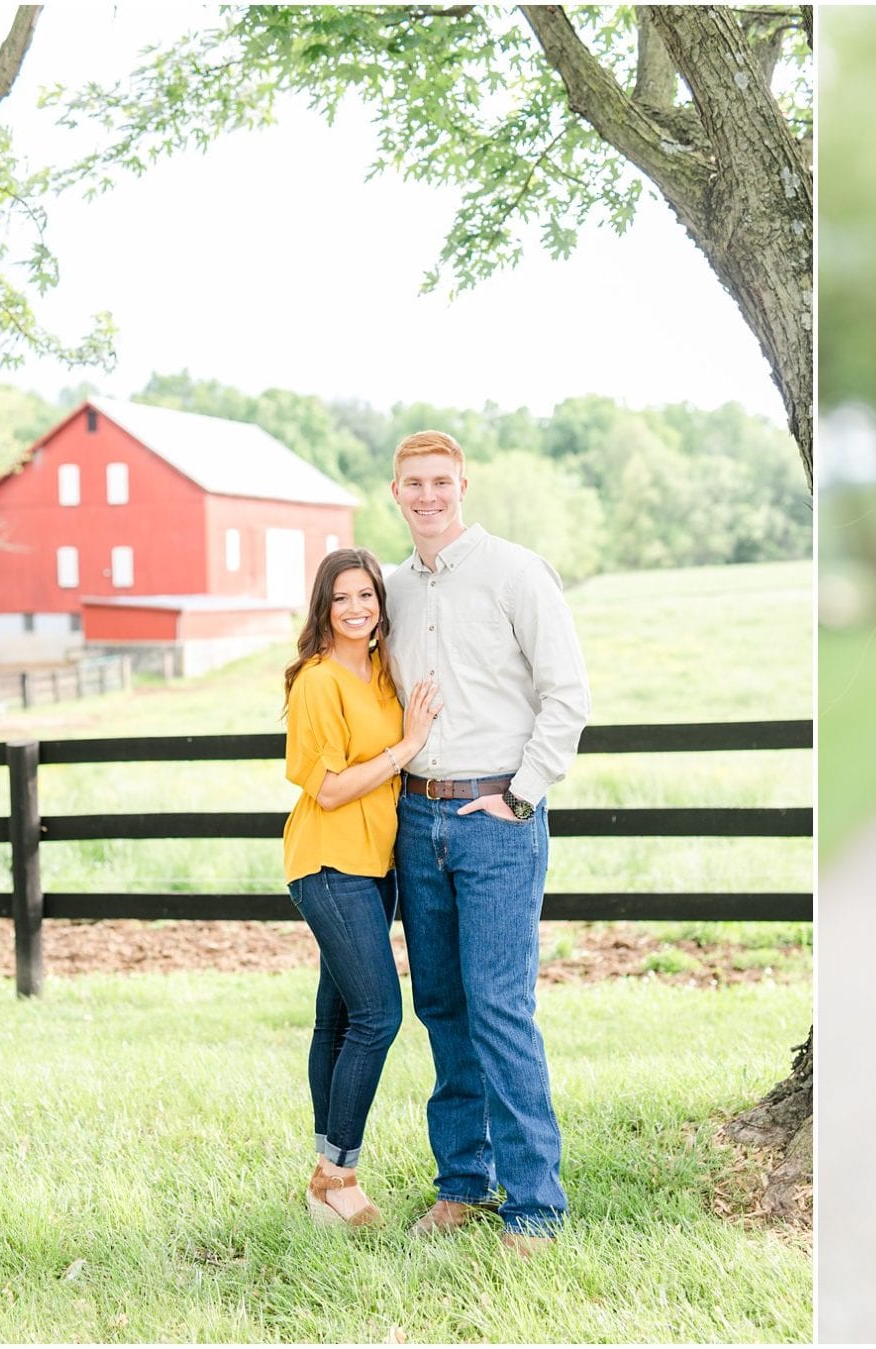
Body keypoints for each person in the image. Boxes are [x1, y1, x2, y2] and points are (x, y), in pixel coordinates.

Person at [383, 430, 591, 1255]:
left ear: (463, 484)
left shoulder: (515, 571)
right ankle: (462, 1185)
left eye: (440, 480)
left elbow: (566, 693)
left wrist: (520, 794)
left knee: (502, 1008)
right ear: (394, 492)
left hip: (495, 818)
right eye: (412, 483)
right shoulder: (393, 589)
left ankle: (535, 1204)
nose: (427, 495)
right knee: (441, 1006)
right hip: (416, 818)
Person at [282, 547, 439, 1226]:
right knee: (379, 1015)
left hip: (374, 866)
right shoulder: (318, 682)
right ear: (325, 604)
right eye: (342, 597)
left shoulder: (379, 671)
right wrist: (408, 747)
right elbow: (333, 786)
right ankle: (338, 1173)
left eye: (367, 596)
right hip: (328, 863)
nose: (356, 608)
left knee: (339, 1018)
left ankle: (324, 1181)